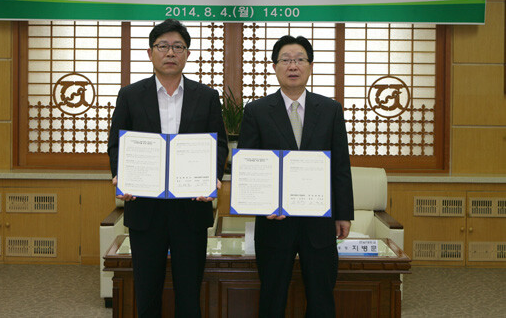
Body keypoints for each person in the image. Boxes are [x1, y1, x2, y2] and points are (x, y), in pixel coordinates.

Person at [107, 19, 228, 317]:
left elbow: (219, 145)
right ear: (150, 53)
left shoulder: (207, 96)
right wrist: (121, 176)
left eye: (178, 47)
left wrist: (212, 179)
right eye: (163, 46)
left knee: (189, 293)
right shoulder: (130, 95)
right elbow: (117, 144)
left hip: (191, 208)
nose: (170, 52)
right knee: (147, 292)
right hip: (145, 208)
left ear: (187, 54)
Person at [237, 35, 354, 318]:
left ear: (310, 66)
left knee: (321, 296)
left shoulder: (330, 110)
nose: (293, 66)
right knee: (272, 296)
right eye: (286, 60)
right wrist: (262, 205)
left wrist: (343, 214)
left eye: (300, 59)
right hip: (274, 222)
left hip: (319, 222)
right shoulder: (256, 111)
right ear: (275, 67)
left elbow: (340, 164)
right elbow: (249, 166)